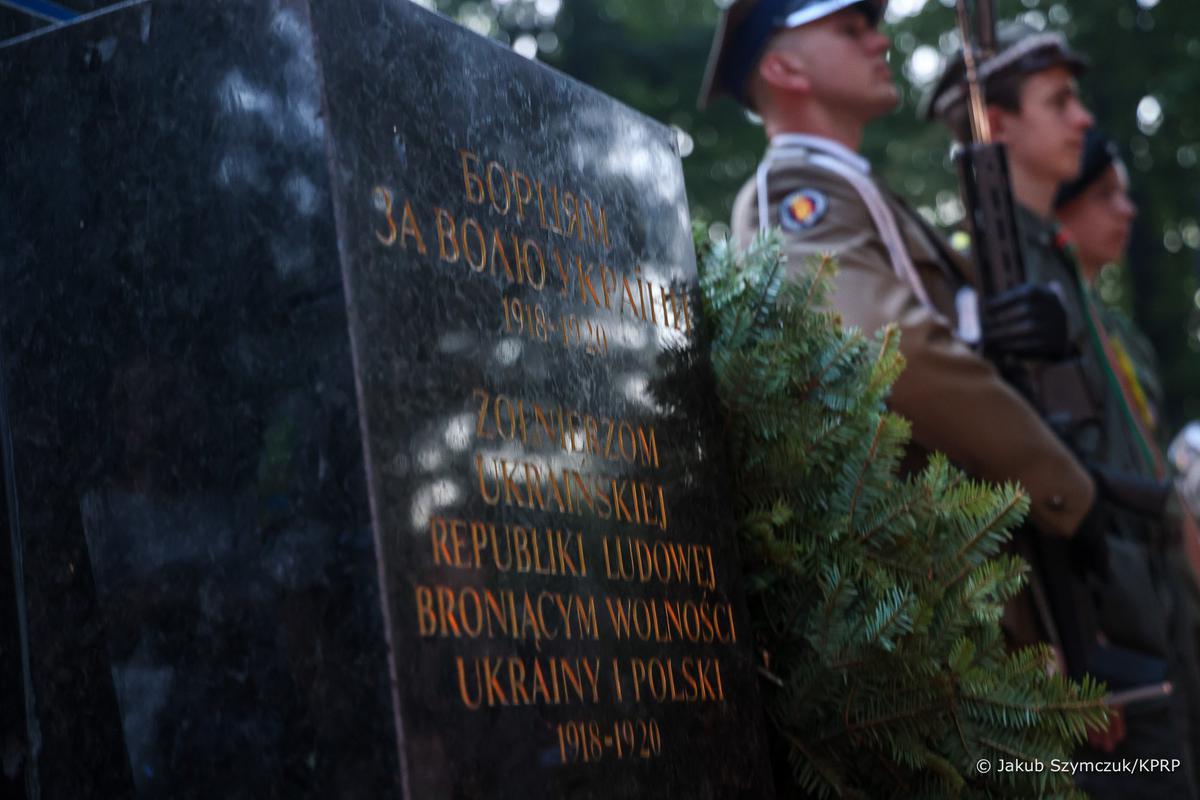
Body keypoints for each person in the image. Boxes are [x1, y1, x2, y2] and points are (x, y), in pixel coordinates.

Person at [701, 1, 1103, 663]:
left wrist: (994, 324)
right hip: (918, 613)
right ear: (783, 69)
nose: (880, 42)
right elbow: (890, 350)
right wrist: (1062, 485)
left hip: (964, 591)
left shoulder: (862, 193)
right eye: (850, 30)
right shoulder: (794, 194)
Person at [927, 26, 1200, 798]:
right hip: (1090, 605)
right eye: (1058, 102)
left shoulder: (1052, 262)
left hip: (1142, 588)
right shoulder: (988, 272)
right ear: (998, 123)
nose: (1081, 118)